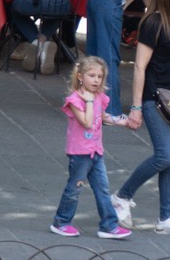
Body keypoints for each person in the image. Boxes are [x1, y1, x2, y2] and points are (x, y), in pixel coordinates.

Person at [86, 0, 170, 124]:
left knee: (93, 56)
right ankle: (111, 112)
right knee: (109, 56)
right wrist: (152, 9)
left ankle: (88, 106)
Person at [111, 0, 170, 235]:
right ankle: (122, 197)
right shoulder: (154, 24)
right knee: (165, 155)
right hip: (154, 98)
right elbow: (139, 67)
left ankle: (167, 217)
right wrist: (136, 107)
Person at [49, 56, 133, 239]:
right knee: (74, 188)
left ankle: (109, 225)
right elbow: (87, 122)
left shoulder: (99, 97)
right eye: (92, 75)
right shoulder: (75, 100)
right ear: (80, 76)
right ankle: (61, 222)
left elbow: (103, 117)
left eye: (100, 76)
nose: (96, 80)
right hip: (79, 154)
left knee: (102, 189)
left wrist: (123, 122)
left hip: (96, 151)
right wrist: (87, 101)